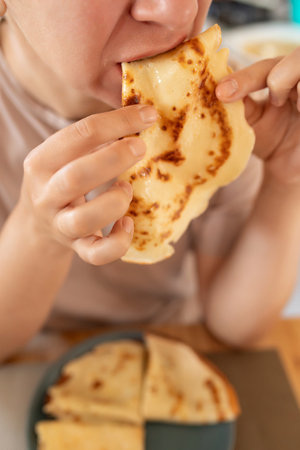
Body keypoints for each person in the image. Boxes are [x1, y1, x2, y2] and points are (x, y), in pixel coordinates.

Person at [0, 0, 299, 362]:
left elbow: (235, 326)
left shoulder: (220, 105)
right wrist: (39, 233)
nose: (175, 10)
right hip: (33, 360)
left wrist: (288, 176)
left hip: (170, 345)